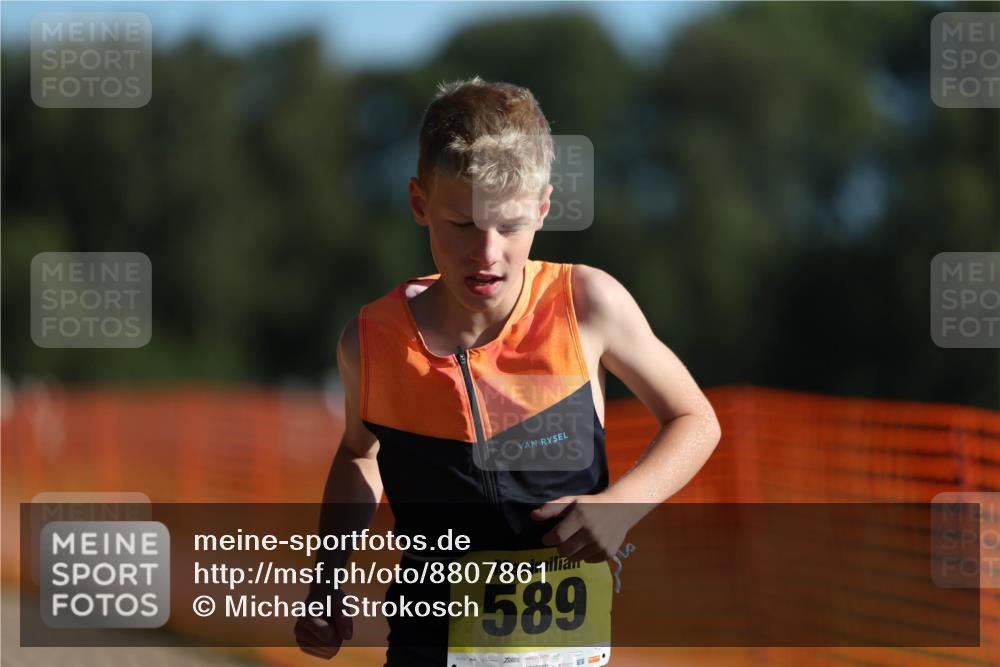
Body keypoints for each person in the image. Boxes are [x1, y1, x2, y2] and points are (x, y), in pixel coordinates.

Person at [295, 76, 721, 666]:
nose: (487, 251)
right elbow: (358, 454)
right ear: (420, 203)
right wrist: (328, 579)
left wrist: (623, 505)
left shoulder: (587, 305)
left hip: (563, 652)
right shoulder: (371, 342)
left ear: (544, 207)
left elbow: (694, 418)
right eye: (463, 224)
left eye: (511, 225)